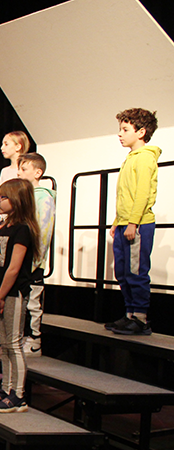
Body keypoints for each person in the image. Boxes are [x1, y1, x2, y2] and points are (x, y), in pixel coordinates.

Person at [0, 178, 39, 413]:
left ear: (17, 200)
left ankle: (19, 395)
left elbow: (14, 268)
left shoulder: (23, 229)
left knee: (14, 344)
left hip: (13, 295)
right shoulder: (4, 228)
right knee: (4, 345)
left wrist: (1, 296)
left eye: (3, 197)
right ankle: (6, 389)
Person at [105, 108, 160, 336]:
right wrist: (118, 221)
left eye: (125, 129)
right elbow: (125, 195)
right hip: (125, 224)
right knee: (123, 272)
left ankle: (140, 318)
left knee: (136, 271)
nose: (120, 134)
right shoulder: (131, 158)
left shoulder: (146, 158)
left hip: (137, 225)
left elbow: (142, 194)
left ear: (141, 132)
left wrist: (133, 223)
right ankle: (129, 314)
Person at [17, 153, 56, 356]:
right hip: (20, 259)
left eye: (24, 169)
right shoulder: (24, 195)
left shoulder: (44, 197)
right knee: (20, 300)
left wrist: (35, 258)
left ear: (38, 172)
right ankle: (21, 336)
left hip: (33, 261)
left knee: (33, 300)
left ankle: (34, 339)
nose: (19, 173)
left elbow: (44, 230)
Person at [0, 132, 31, 233]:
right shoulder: (5, 171)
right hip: (3, 222)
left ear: (18, 146)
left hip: (17, 222)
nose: (2, 148)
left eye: (6, 144)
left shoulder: (25, 172)